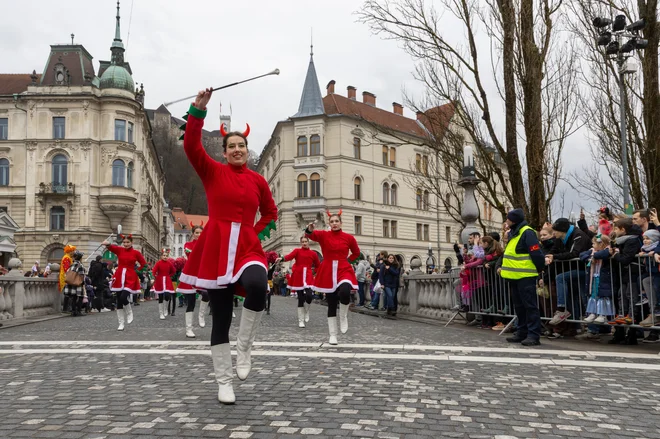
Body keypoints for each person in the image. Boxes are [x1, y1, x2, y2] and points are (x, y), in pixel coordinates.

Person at [177, 88, 277, 404]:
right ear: (224, 152)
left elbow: (271, 213)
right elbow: (192, 147)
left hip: (247, 246)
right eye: (231, 146)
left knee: (258, 286)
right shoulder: (213, 171)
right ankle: (224, 381)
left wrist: (254, 232)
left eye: (241, 145)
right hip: (218, 246)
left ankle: (245, 346)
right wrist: (197, 110)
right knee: (220, 318)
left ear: (248, 150)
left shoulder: (258, 180)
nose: (237, 149)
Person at [305, 210, 360, 345]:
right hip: (328, 269)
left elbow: (356, 253)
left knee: (345, 291)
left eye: (337, 221)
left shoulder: (349, 238)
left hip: (343, 268)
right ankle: (333, 334)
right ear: (329, 223)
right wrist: (309, 229)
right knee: (331, 302)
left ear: (341, 223)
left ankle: (343, 316)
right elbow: (310, 234)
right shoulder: (324, 235)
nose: (334, 223)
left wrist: (348, 261)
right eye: (332, 221)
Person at [497, 208, 544, 346]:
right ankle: (522, 332)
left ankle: (533, 335)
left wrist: (540, 269)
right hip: (514, 276)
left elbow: (536, 253)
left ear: (514, 220)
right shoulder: (514, 233)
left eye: (508, 219)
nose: (506, 221)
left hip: (526, 276)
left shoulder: (527, 232)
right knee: (519, 306)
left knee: (530, 306)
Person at [102, 234, 146, 331]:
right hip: (119, 275)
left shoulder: (136, 253)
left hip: (130, 276)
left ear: (131, 242)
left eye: (128, 242)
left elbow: (143, 264)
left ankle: (129, 311)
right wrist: (107, 244)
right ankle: (121, 323)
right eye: (124, 242)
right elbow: (112, 248)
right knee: (119, 299)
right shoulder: (120, 250)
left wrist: (137, 271)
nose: (126, 244)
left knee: (123, 297)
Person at [276, 236, 321, 328]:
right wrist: (282, 258)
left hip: (308, 275)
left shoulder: (313, 254)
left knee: (309, 296)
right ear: (301, 243)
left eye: (306, 241)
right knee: (300, 298)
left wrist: (314, 272)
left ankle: (306, 310)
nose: (304, 243)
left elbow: (317, 265)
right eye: (303, 242)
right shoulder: (297, 251)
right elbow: (289, 256)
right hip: (298, 276)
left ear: (308, 242)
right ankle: (301, 320)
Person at [176, 223, 210, 337]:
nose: (199, 235)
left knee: (206, 294)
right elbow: (192, 253)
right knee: (191, 303)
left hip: (202, 273)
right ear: (193, 234)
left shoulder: (207, 244)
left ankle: (201, 315)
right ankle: (188, 329)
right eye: (197, 233)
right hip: (191, 274)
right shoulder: (188, 245)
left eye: (201, 233)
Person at [152, 249, 176, 320]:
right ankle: (161, 313)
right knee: (161, 297)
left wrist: (169, 275)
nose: (165, 257)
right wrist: (156, 277)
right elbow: (154, 271)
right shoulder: (158, 263)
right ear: (161, 256)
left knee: (167, 295)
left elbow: (173, 271)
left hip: (167, 280)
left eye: (166, 256)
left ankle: (165, 309)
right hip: (160, 280)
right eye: (164, 255)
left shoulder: (169, 263)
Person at [62, 250, 87, 317]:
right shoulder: (80, 266)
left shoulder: (71, 265)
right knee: (80, 297)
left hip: (71, 283)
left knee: (73, 297)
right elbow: (81, 276)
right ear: (80, 258)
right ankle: (78, 311)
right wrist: (83, 283)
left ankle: (73, 311)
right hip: (78, 283)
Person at [59, 245, 76, 312]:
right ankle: (66, 308)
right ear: (70, 251)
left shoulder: (69, 257)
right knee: (68, 293)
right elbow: (67, 269)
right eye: (73, 251)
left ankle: (67, 308)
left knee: (68, 293)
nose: (74, 252)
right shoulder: (66, 258)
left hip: (68, 277)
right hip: (66, 278)